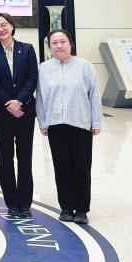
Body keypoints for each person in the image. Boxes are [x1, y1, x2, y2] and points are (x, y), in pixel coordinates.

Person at [36, 29, 103, 225]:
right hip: (55, 124)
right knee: (61, 167)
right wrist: (43, 121)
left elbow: (94, 95)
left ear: (70, 43)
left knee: (82, 167)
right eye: (54, 43)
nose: (59, 46)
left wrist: (96, 122)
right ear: (50, 46)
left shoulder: (85, 66)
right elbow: (40, 97)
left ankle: (82, 209)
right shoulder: (43, 68)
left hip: (81, 123)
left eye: (62, 42)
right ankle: (66, 207)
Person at [0, 12, 39, 219]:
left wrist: (19, 101)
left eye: (4, 24)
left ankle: (25, 203)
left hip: (25, 111)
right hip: (3, 112)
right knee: (6, 158)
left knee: (25, 158)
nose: (1, 29)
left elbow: (33, 78)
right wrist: (9, 103)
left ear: (12, 26)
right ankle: (11, 202)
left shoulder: (27, 49)